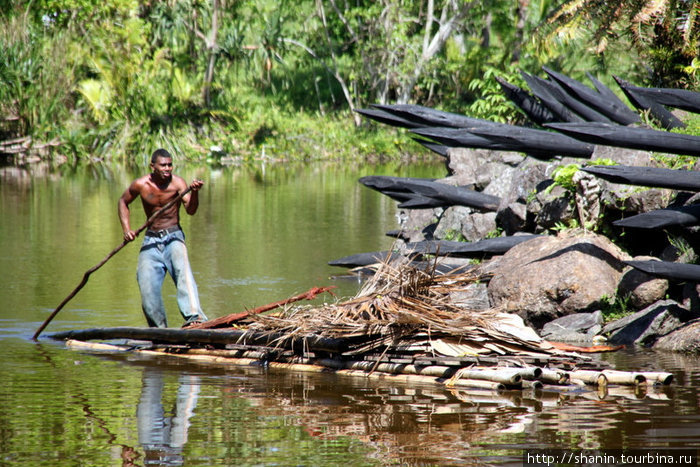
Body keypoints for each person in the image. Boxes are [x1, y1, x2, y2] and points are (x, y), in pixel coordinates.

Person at [118, 148, 208, 328]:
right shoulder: (141, 184)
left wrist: (195, 192)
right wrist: (126, 229)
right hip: (150, 240)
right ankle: (159, 330)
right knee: (146, 285)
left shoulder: (178, 184)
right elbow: (123, 202)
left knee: (183, 272)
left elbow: (190, 210)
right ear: (153, 166)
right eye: (163, 165)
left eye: (170, 165)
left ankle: (195, 319)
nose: (167, 168)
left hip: (173, 236)